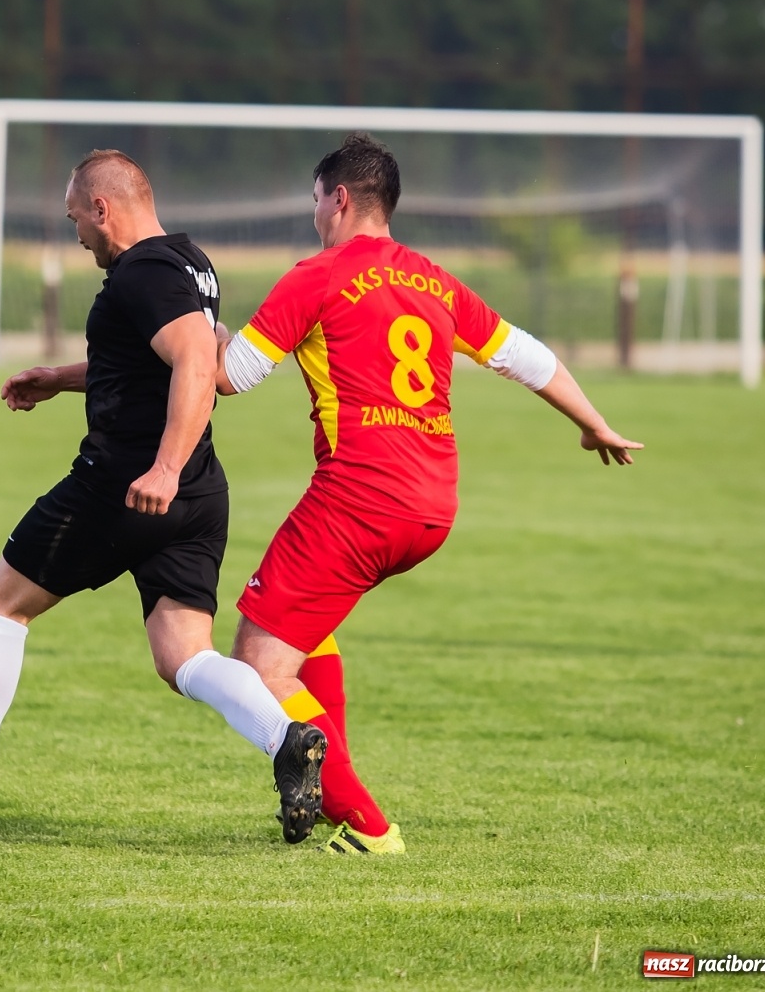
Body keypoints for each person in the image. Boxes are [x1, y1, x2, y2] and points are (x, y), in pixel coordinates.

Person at [216, 133, 643, 853]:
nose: (316, 214)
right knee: (310, 624)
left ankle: (367, 825)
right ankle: (324, 802)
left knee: (257, 662)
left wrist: (210, 334)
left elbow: (232, 377)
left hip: (356, 499)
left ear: (341, 199)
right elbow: (529, 357)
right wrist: (594, 423)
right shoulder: (434, 280)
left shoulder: (315, 277)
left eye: (317, 200)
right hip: (432, 505)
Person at [0, 150, 328, 842]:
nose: (77, 236)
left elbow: (194, 358)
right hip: (197, 495)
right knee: (183, 653)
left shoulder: (143, 270)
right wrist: (62, 378)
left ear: (104, 208)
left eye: (77, 219)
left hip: (124, 486)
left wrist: (160, 465)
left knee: (0, 601)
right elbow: (162, 352)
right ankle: (286, 740)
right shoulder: (190, 261)